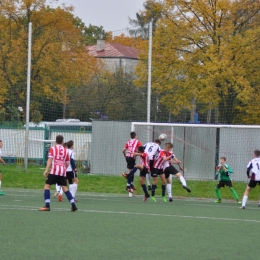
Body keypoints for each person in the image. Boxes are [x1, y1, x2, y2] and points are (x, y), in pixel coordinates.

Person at [38, 135, 77, 212]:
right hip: (62, 171)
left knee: (47, 186)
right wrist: (63, 168)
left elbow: (50, 160)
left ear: (56, 141)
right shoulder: (65, 150)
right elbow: (67, 163)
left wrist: (46, 170)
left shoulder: (53, 149)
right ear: (63, 142)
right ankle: (73, 205)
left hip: (54, 171)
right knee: (65, 188)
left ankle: (47, 205)